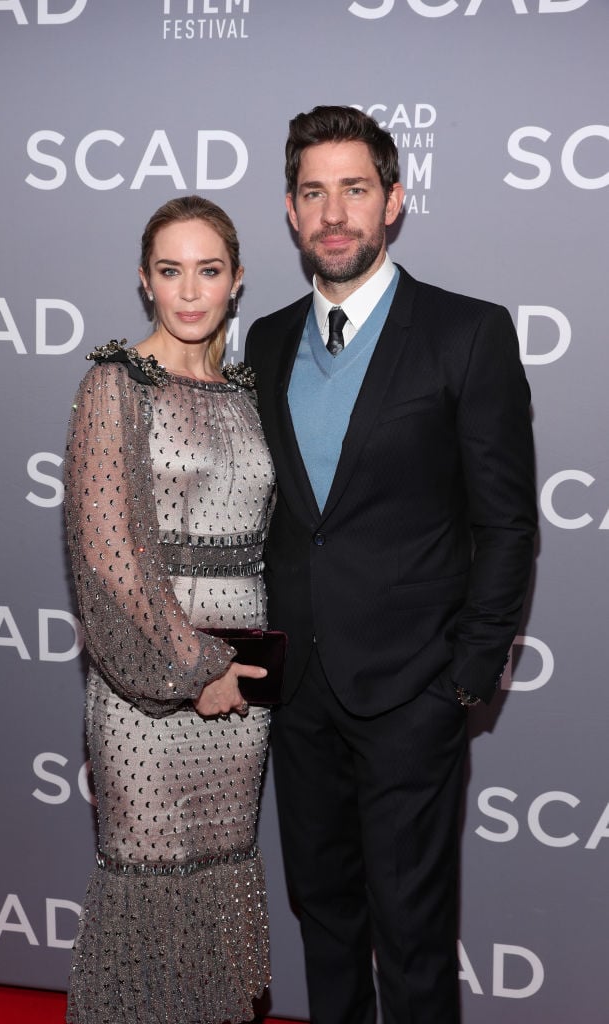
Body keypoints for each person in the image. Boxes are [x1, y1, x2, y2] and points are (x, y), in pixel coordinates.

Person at [244, 106, 537, 1024]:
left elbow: (507, 525)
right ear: (291, 212)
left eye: (355, 190)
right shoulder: (265, 340)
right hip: (297, 690)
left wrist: (462, 679)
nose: (334, 213)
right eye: (313, 192)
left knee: (411, 932)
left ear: (394, 201)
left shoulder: (467, 332)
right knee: (323, 917)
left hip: (414, 690)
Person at [64, 195, 275, 1024]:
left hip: (242, 690)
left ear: (237, 280)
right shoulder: (114, 382)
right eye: (169, 270)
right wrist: (195, 669)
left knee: (221, 875)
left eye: (209, 270)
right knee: (147, 886)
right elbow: (108, 553)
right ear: (144, 283)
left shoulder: (248, 388)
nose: (190, 291)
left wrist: (237, 673)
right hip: (148, 688)